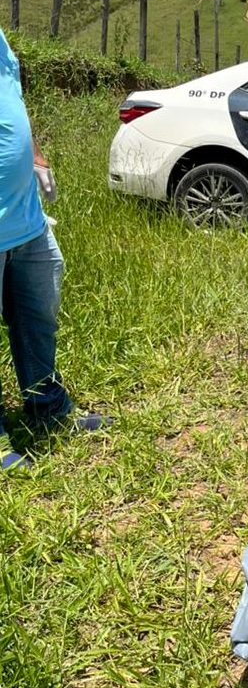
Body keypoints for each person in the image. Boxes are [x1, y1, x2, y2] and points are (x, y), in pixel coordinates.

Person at [0, 27, 107, 471]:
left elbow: (13, 102)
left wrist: (36, 156)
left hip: (26, 221)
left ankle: (48, 406)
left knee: (38, 318)